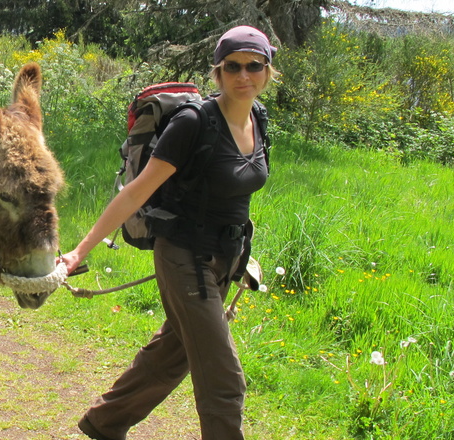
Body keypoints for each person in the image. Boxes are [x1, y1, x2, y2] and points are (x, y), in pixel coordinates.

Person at [58, 25, 279, 440]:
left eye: (254, 66)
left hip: (224, 258)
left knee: (171, 357)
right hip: (184, 258)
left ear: (267, 71)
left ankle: (105, 424)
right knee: (224, 381)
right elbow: (134, 194)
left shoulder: (260, 121)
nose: (243, 75)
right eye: (233, 66)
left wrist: (242, 252)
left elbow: (235, 196)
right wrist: (79, 251)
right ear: (218, 72)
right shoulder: (194, 124)